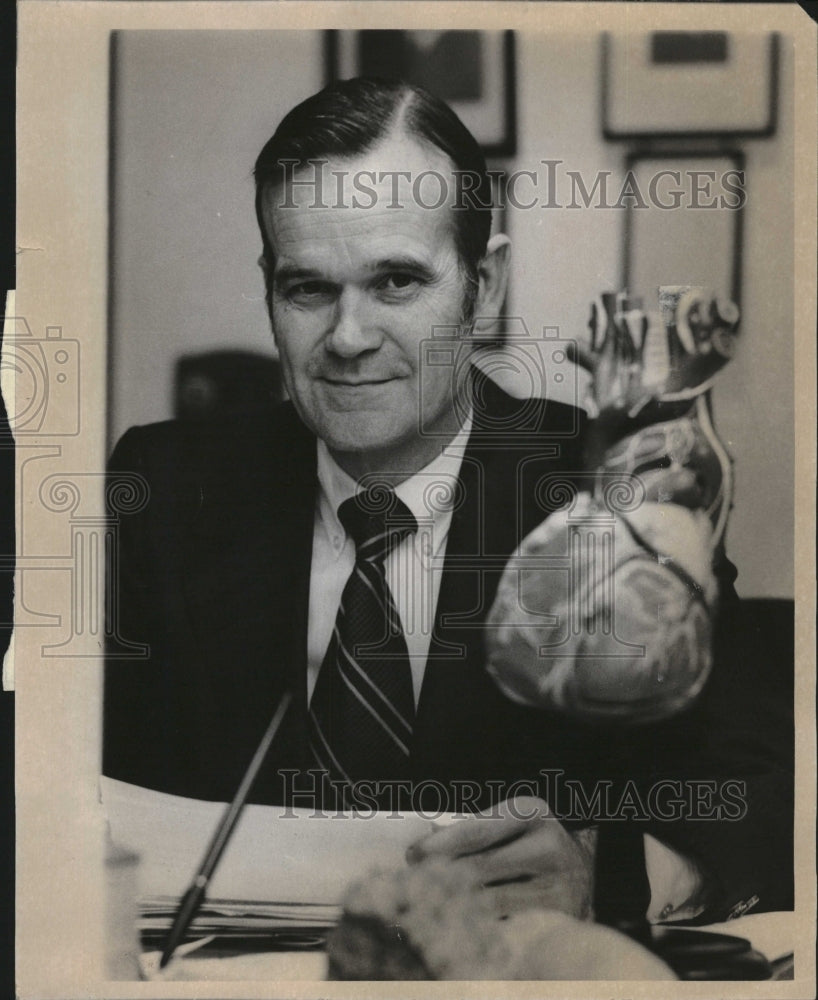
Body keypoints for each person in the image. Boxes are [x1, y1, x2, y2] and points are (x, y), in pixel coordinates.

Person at [104, 77, 792, 926]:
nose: (348, 338)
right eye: (307, 288)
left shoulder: (611, 482)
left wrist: (610, 874)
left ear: (484, 285)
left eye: (395, 282)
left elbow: (767, 784)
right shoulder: (165, 487)